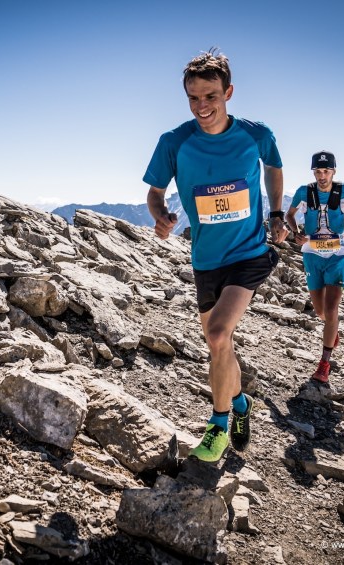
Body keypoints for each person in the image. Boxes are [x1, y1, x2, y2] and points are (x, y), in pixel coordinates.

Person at [144, 50, 288, 463]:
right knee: (219, 346)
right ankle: (240, 402)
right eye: (193, 98)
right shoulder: (174, 142)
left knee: (219, 334)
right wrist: (161, 216)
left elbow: (274, 167)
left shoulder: (256, 135)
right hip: (206, 259)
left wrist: (276, 213)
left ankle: (219, 425)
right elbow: (154, 193)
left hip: (250, 252)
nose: (202, 106)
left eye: (211, 96)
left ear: (229, 92)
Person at [286, 151, 344, 383]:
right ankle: (332, 330)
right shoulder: (303, 192)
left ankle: (324, 364)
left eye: (326, 171)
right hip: (311, 254)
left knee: (332, 311)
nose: (322, 176)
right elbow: (289, 214)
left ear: (333, 171)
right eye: (318, 171)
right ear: (313, 172)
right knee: (321, 312)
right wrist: (295, 232)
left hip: (338, 254)